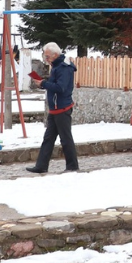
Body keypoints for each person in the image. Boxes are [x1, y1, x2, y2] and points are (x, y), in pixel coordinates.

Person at [26, 42, 80, 173]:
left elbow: (60, 88)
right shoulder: (56, 66)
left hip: (63, 108)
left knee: (66, 138)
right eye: (45, 56)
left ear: (56, 55)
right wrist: (43, 83)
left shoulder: (64, 67)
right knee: (48, 139)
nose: (46, 59)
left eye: (48, 56)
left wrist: (44, 83)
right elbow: (54, 84)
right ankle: (41, 166)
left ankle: (72, 166)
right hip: (55, 108)